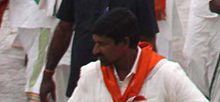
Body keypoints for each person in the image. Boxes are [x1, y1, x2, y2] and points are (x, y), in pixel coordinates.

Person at [40, 0, 159, 101]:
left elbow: (148, 44)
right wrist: (47, 74)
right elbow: (63, 31)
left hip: (122, 86)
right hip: (82, 80)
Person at [66, 7, 206, 102]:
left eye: (102, 44)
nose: (95, 51)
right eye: (96, 43)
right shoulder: (92, 74)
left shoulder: (165, 73)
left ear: (124, 42)